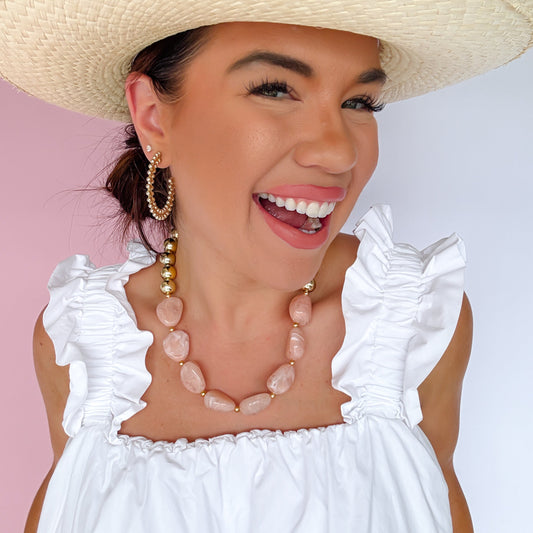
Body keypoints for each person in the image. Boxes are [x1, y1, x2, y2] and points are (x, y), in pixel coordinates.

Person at [0, 2, 530, 533]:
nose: (338, 152)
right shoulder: (82, 349)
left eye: (359, 102)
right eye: (275, 90)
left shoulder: (412, 325)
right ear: (154, 117)